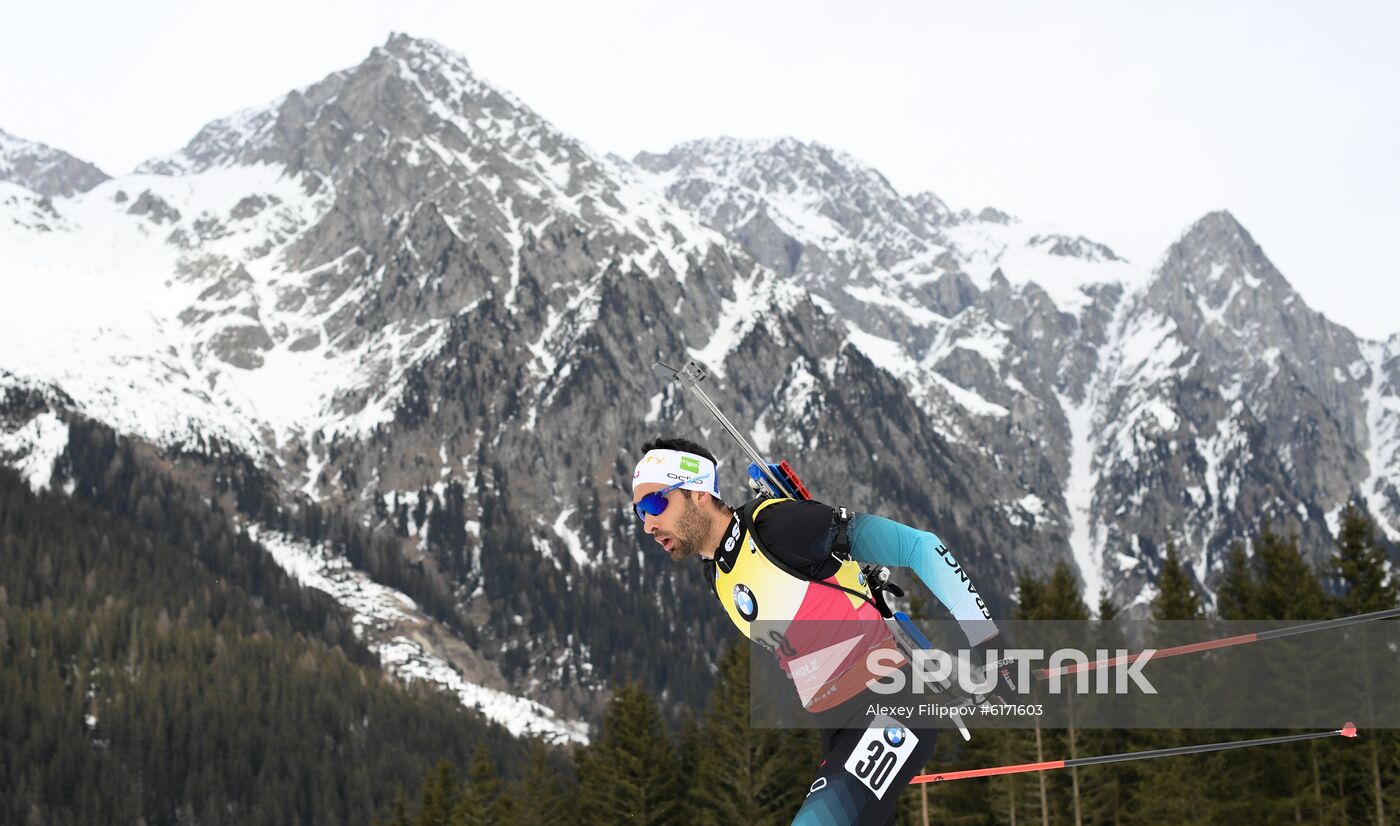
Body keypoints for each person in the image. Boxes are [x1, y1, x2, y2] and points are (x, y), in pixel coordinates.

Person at [630, 436, 1007, 825]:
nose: (647, 523)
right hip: (836, 730)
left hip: (893, 709)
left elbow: (920, 548)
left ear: (699, 493)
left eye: (656, 503)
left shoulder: (778, 526)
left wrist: (990, 643)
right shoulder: (718, 574)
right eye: (638, 511)